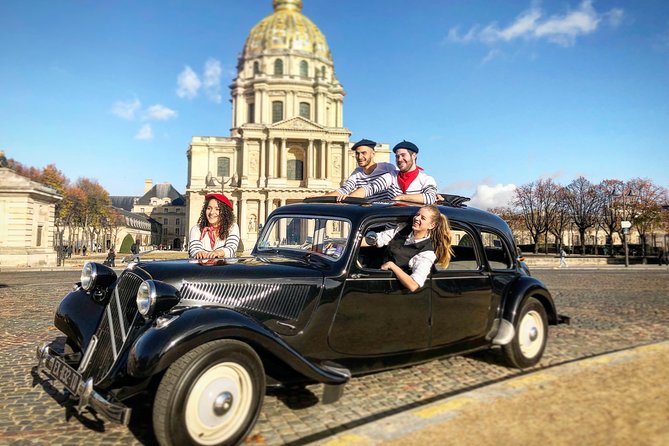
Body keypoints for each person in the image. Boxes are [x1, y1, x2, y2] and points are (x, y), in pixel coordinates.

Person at [362, 205, 453, 292]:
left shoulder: (426, 253)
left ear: (431, 225)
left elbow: (413, 285)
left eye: (423, 218)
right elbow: (379, 239)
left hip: (390, 288)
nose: (417, 218)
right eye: (417, 215)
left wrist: (391, 265)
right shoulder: (402, 229)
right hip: (373, 273)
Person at [348, 140, 438, 204]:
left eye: (403, 155)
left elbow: (430, 197)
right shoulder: (391, 176)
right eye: (397, 156)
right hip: (391, 228)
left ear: (413, 156)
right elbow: (369, 188)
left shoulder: (426, 179)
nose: (399, 159)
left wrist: (401, 197)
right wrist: (348, 199)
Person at [325, 138, 396, 201]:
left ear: (373, 154)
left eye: (363, 153)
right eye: (357, 153)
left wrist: (350, 197)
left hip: (383, 212)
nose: (359, 157)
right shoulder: (357, 172)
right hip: (366, 212)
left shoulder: (387, 168)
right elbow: (344, 189)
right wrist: (317, 198)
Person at [189, 193, 240, 259]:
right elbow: (194, 248)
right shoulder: (196, 229)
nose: (212, 212)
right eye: (209, 208)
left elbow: (232, 247)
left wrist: (219, 253)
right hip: (202, 267)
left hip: (224, 267)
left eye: (217, 209)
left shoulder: (232, 227)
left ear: (225, 212)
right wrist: (198, 252)